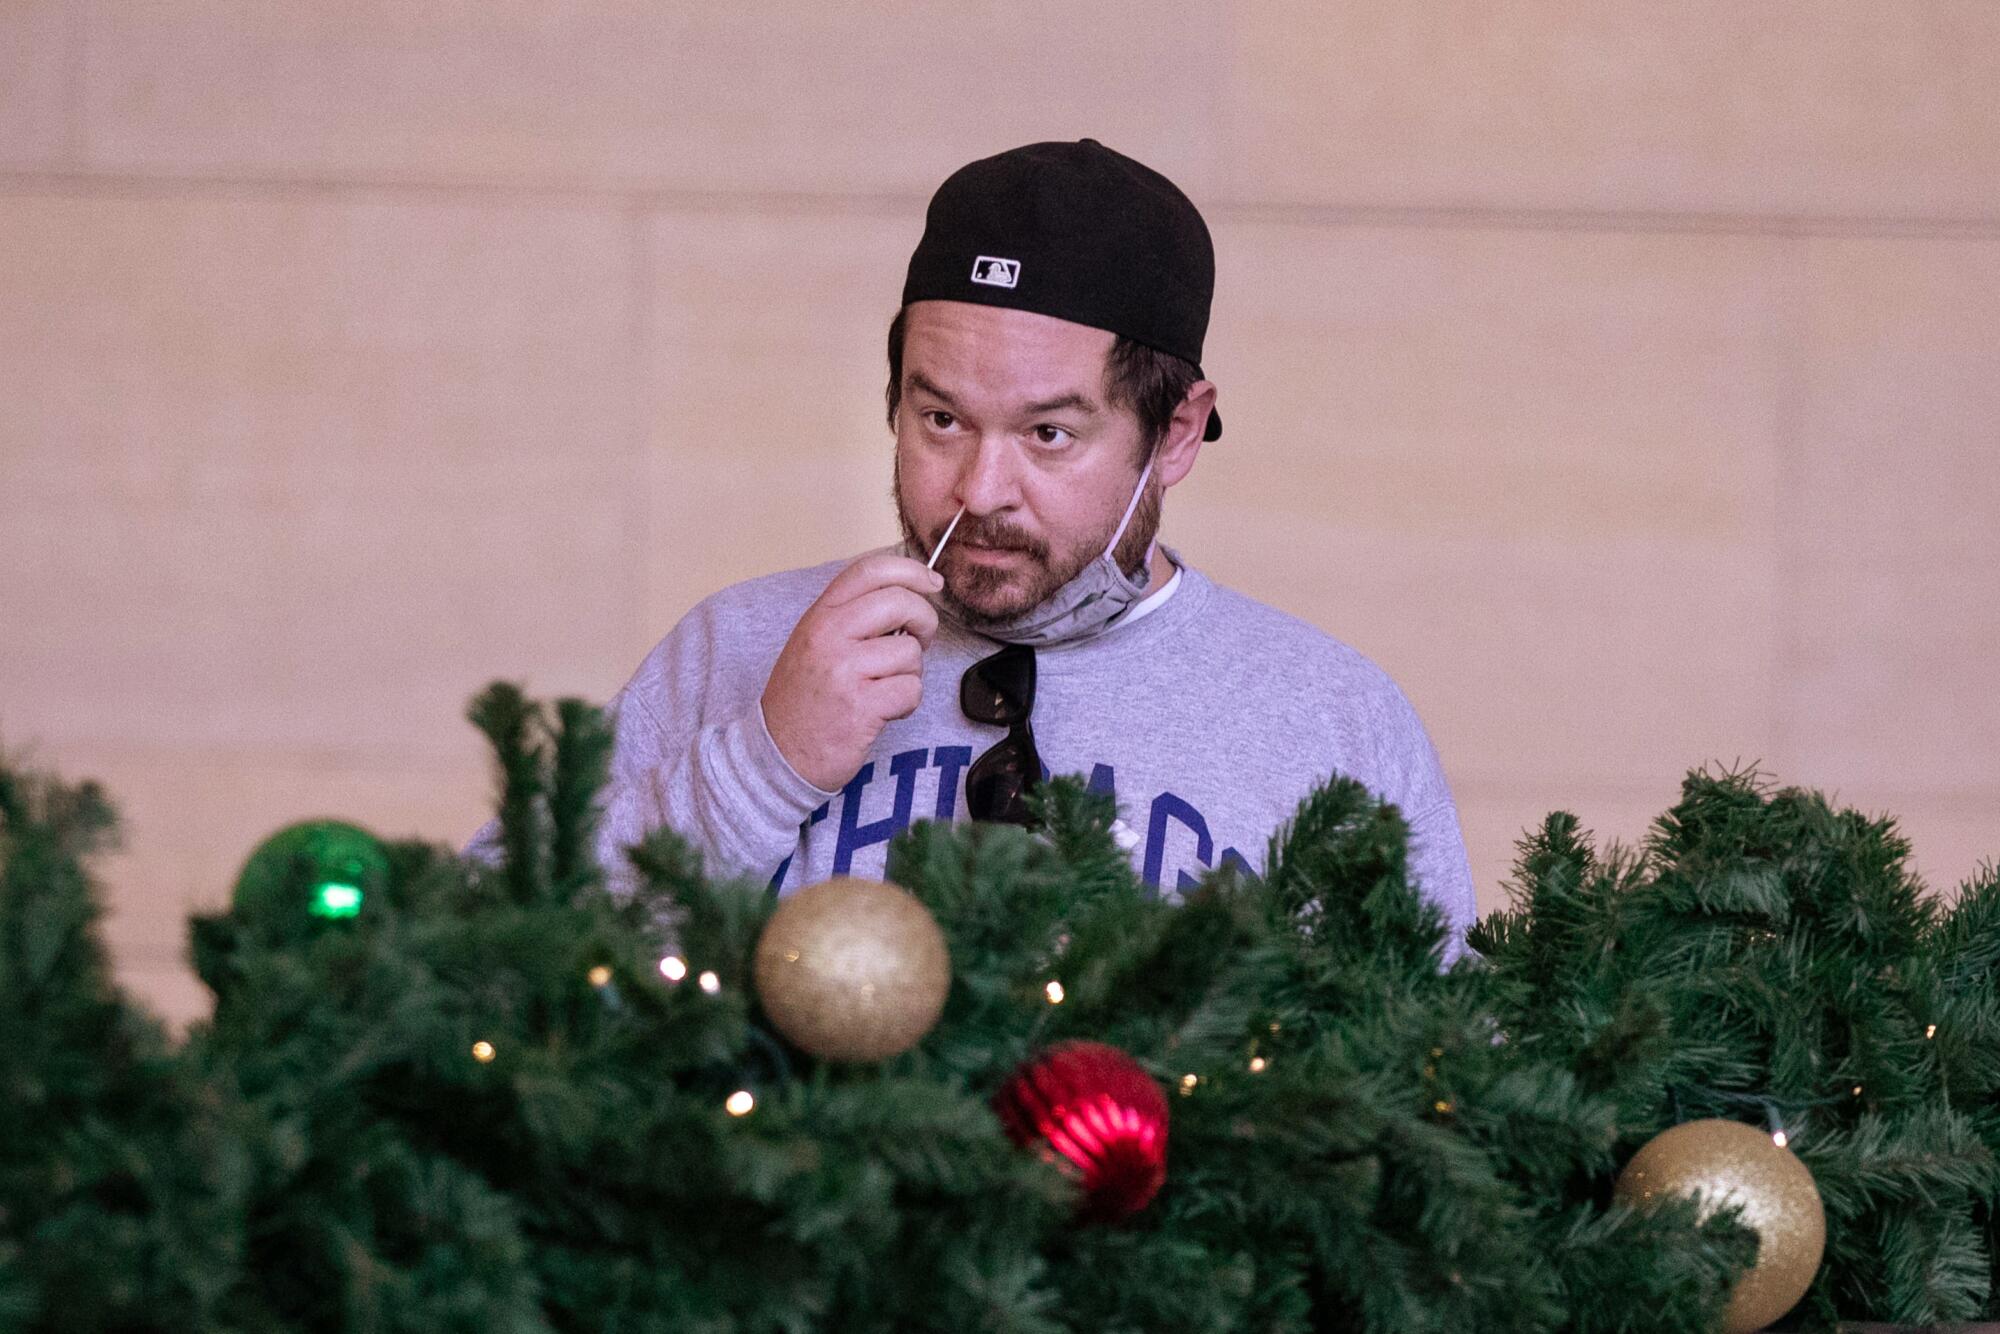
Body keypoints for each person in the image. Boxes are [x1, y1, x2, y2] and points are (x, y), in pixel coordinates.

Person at [469, 139, 1476, 956]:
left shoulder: (1328, 715)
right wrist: (759, 765)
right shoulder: (734, 647)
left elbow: (1447, 1094)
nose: (978, 490)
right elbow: (467, 967)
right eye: (940, 417)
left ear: (1172, 433)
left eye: (1047, 433)